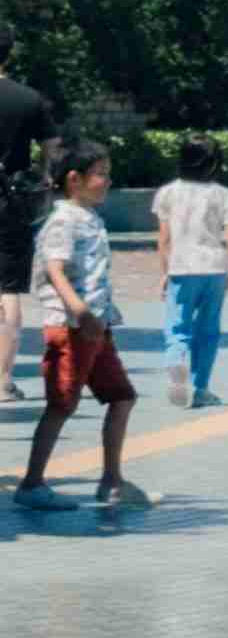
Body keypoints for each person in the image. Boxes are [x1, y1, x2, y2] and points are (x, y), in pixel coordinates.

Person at [18, 146, 127, 502]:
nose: (107, 181)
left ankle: (112, 481)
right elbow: (55, 271)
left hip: (96, 325)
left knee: (122, 397)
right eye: (101, 174)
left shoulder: (89, 216)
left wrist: (95, 317)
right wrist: (80, 312)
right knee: (61, 404)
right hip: (72, 327)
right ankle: (31, 484)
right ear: (74, 180)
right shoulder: (63, 221)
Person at [150, 146, 228, 410]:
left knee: (178, 327)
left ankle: (176, 362)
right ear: (214, 163)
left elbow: (164, 240)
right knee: (208, 331)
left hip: (181, 268)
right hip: (215, 268)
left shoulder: (167, 193)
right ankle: (200, 389)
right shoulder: (222, 194)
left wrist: (165, 271)